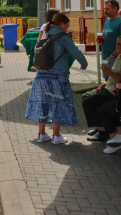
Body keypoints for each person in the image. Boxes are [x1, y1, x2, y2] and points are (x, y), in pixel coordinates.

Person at [25, 13, 88, 144]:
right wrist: (84, 63)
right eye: (67, 25)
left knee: (43, 102)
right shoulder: (63, 37)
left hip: (41, 74)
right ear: (62, 24)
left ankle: (41, 134)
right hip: (57, 76)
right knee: (57, 103)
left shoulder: (46, 34)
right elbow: (75, 51)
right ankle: (56, 135)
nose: (67, 28)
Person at [83, 35, 121, 142]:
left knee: (90, 102)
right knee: (86, 96)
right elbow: (111, 78)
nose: (119, 46)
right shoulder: (119, 56)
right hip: (109, 87)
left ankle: (103, 131)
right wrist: (102, 85)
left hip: (115, 91)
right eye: (117, 44)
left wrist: (108, 71)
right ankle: (100, 128)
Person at [100, 0, 121, 75]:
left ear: (115, 9)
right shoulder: (106, 22)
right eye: (104, 9)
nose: (105, 11)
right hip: (105, 56)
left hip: (115, 57)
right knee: (106, 78)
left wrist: (112, 56)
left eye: (107, 9)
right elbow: (106, 37)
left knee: (113, 79)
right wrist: (100, 41)